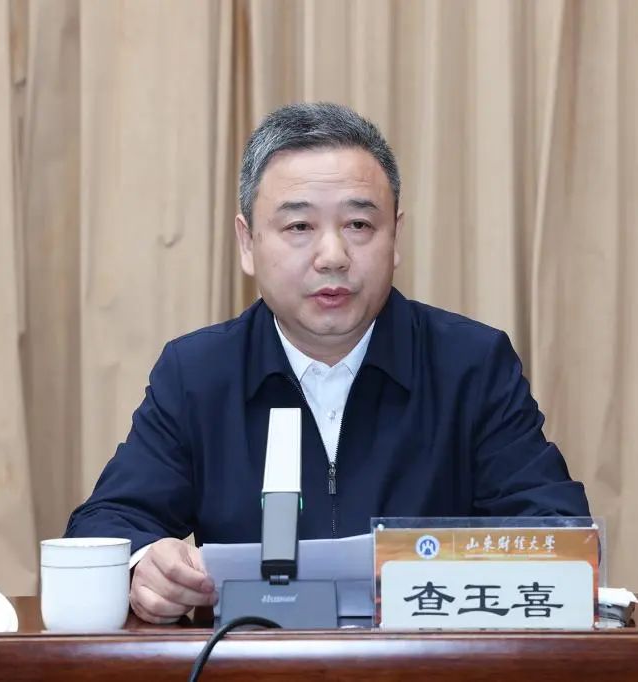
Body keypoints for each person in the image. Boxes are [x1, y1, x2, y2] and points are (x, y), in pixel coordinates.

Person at [65, 102, 590, 624]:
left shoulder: (470, 365)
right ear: (247, 243)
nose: (333, 255)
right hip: (253, 662)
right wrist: (146, 566)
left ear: (395, 238)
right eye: (299, 227)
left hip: (424, 661)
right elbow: (105, 525)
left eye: (359, 224)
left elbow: (556, 530)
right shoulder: (198, 374)